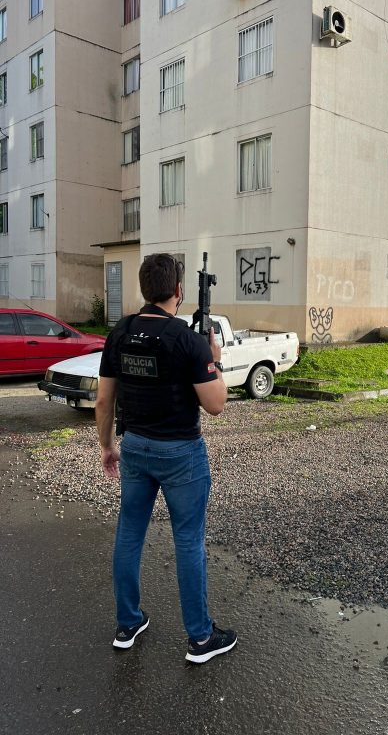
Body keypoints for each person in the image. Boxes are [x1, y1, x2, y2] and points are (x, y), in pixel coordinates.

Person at [95, 253, 237, 664]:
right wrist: (216, 359)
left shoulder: (120, 333)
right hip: (181, 455)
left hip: (136, 446)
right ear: (178, 291)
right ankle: (199, 638)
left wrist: (107, 446)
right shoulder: (187, 340)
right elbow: (215, 404)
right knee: (188, 542)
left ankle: (128, 623)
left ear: (144, 289)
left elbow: (105, 399)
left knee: (129, 533)